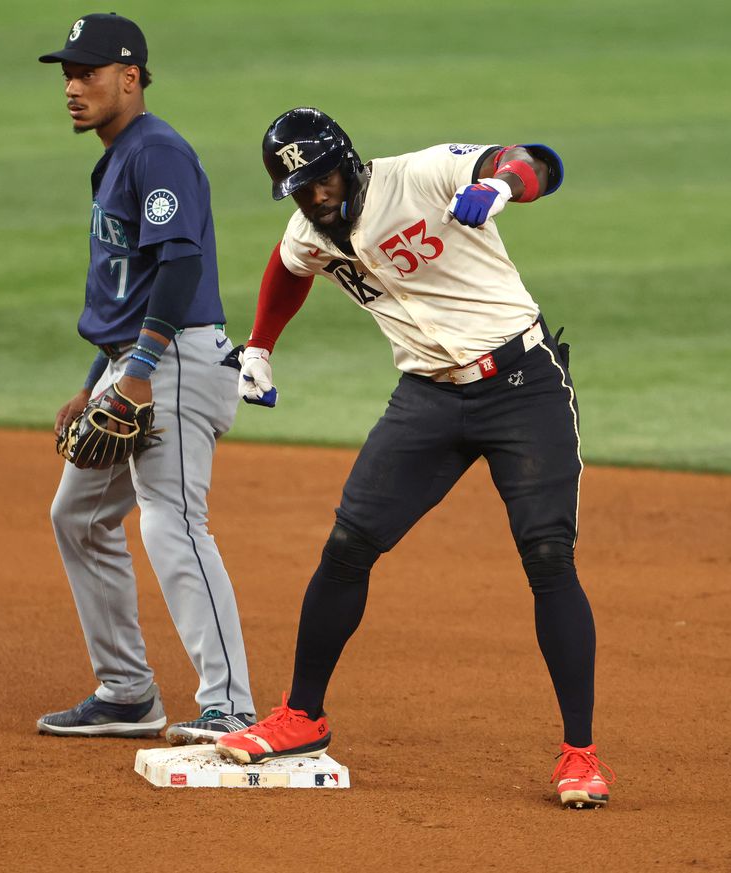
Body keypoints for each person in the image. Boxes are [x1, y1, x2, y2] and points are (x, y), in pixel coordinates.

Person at [215, 108, 615, 809]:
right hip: (427, 398)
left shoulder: (420, 173)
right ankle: (302, 715)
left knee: (548, 557)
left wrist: (505, 187)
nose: (315, 197)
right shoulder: (311, 228)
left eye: (321, 180)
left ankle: (579, 753)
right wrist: (259, 344)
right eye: (300, 189)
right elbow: (287, 267)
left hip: (524, 387)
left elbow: (535, 158)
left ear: (349, 161)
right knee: (347, 546)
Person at [34, 13, 255, 745]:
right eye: (67, 73)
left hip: (177, 361)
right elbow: (131, 286)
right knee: (79, 515)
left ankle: (232, 706)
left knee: (172, 521)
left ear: (131, 77)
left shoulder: (157, 151)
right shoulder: (122, 154)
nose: (73, 86)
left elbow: (181, 261)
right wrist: (97, 376)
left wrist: (139, 371)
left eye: (89, 73)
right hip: (136, 360)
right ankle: (127, 691)